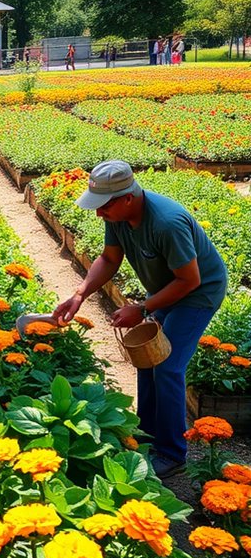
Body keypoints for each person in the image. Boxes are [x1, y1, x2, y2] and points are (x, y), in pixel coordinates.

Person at [52, 160, 227, 478]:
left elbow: (190, 281)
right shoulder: (116, 215)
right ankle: (144, 439)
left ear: (127, 198)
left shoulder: (166, 223)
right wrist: (80, 294)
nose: (98, 213)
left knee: (167, 365)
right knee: (146, 357)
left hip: (198, 293)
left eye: (103, 207)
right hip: (167, 288)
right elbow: (109, 258)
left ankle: (172, 454)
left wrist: (144, 308)